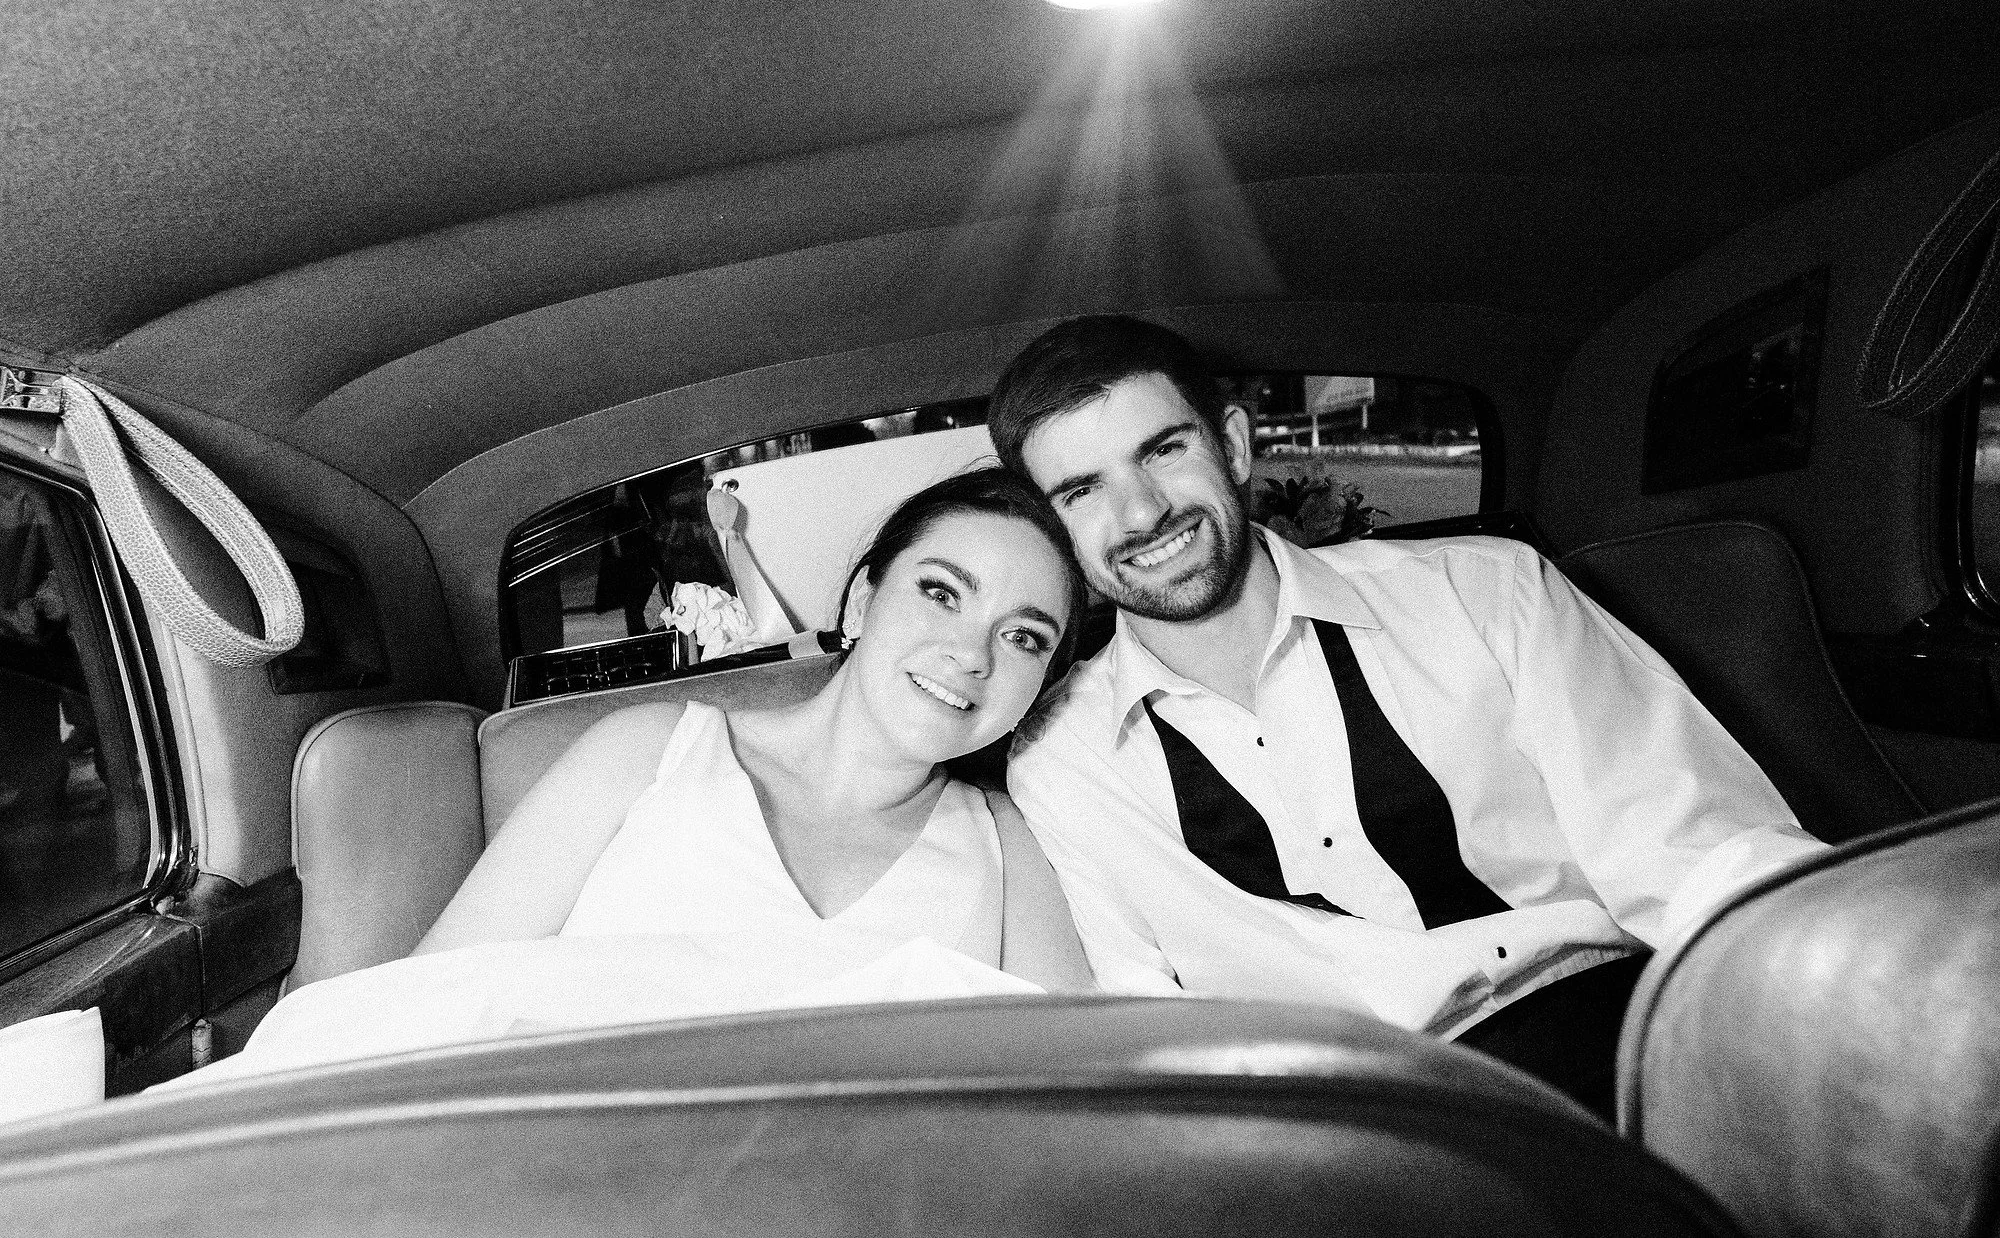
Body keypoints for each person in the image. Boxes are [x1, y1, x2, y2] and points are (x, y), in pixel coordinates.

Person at [992, 314, 1825, 1118]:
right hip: (1363, 1128)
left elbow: (1693, 855)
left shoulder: (1488, 594)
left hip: (1611, 1029)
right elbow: (1142, 1030)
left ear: (1236, 446)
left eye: (1164, 450)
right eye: (1081, 491)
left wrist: (1836, 972)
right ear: (1054, 530)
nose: (1141, 513)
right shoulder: (1062, 765)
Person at [164, 468, 1094, 1088]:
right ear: (861, 599)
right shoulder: (647, 751)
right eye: (941, 592)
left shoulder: (1011, 846)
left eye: (1024, 637)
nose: (970, 653)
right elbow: (429, 1009)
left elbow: (1077, 1104)